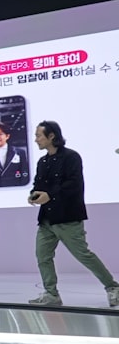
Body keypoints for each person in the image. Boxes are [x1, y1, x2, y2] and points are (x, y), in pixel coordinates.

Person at [27, 120, 119, 307]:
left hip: (67, 218)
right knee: (42, 256)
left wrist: (49, 195)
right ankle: (51, 294)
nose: (36, 139)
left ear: (51, 136)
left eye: (39, 135)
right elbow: (38, 184)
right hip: (46, 220)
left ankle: (112, 287)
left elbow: (74, 185)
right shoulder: (42, 162)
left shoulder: (71, 157)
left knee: (83, 255)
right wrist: (34, 195)